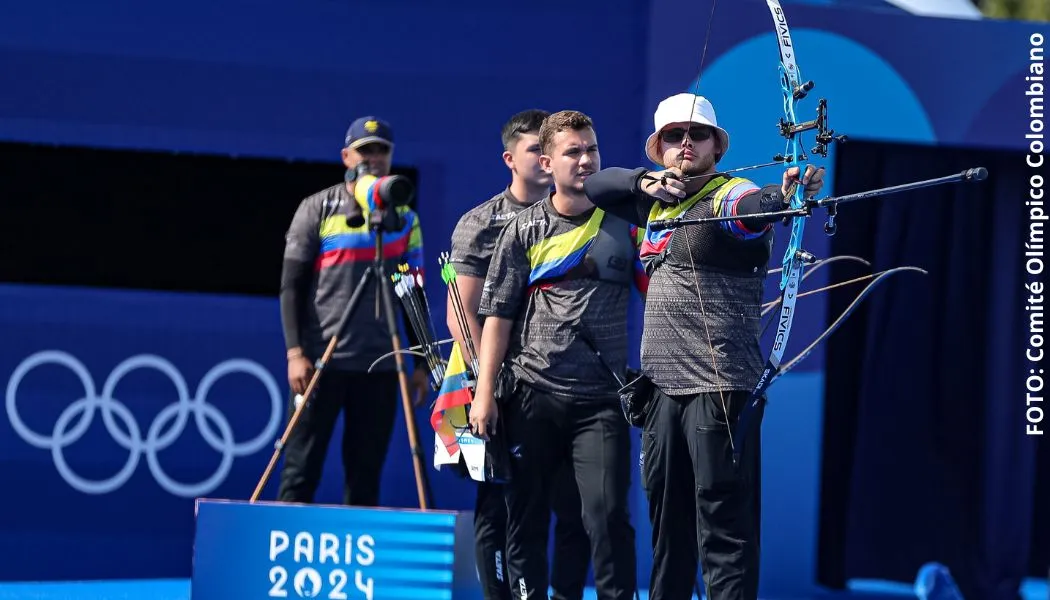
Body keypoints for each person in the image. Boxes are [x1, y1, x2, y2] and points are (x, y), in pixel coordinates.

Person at [581, 92, 826, 600]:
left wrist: (784, 196)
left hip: (719, 389)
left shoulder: (728, 194)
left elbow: (756, 209)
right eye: (674, 135)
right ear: (660, 149)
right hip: (661, 393)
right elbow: (596, 185)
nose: (686, 142)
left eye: (697, 134)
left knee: (723, 527)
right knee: (668, 531)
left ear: (716, 145)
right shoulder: (654, 202)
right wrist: (645, 184)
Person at [470, 110, 640, 600]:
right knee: (524, 519)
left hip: (600, 402)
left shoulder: (626, 225)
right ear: (547, 162)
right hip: (531, 397)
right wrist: (485, 395)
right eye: (573, 152)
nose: (586, 160)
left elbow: (658, 291)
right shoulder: (522, 230)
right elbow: (497, 317)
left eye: (592, 149)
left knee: (605, 516)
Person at [446, 109, 592, 600]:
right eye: (536, 149)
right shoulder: (480, 223)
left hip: (556, 384)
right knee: (497, 501)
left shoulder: (578, 211)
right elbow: (461, 316)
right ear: (512, 159)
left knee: (570, 503)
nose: (548, 159)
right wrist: (486, 386)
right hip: (491, 387)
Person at [276, 115, 430, 506]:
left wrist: (422, 364)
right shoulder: (317, 208)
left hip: (379, 365)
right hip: (320, 362)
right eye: (365, 151)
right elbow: (291, 286)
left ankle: (357, 564)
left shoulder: (406, 219)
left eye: (382, 150)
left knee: (365, 476)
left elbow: (411, 292)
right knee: (300, 469)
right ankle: (282, 559)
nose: (374, 158)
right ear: (347, 156)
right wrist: (296, 353)